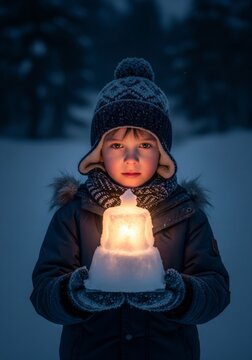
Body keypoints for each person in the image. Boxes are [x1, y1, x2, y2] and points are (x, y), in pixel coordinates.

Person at [30, 57, 230, 360]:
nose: (131, 158)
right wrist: (73, 295)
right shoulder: (74, 214)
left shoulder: (187, 215)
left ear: (163, 153)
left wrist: (181, 295)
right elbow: (43, 291)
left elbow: (216, 290)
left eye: (146, 146)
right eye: (116, 145)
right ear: (98, 151)